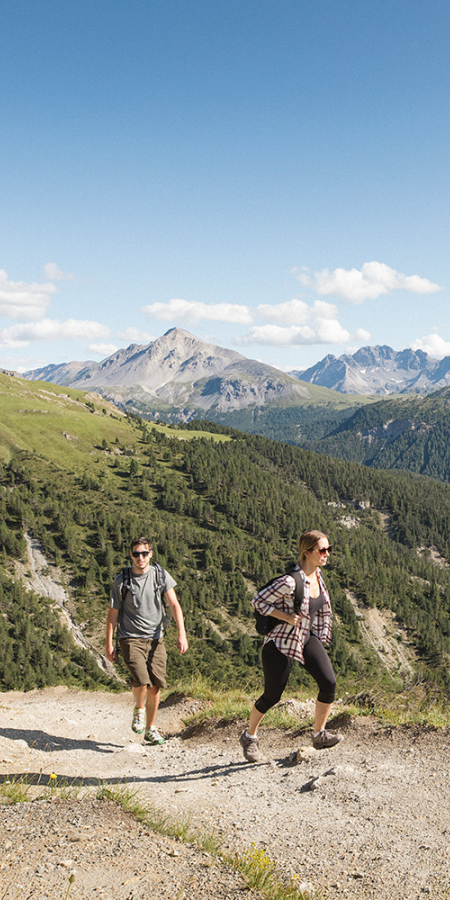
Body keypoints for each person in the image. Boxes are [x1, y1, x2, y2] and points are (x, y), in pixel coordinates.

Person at [240, 530, 341, 762]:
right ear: (306, 553)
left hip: (304, 637)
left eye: (329, 549)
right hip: (281, 642)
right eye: (322, 550)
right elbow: (258, 601)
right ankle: (249, 736)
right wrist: (284, 617)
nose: (327, 554)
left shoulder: (318, 576)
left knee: (329, 683)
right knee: (272, 696)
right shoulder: (289, 581)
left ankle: (319, 734)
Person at [105, 537, 188, 745]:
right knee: (141, 680)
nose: (140, 557)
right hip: (130, 637)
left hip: (156, 638)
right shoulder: (121, 580)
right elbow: (113, 613)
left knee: (156, 686)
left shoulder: (160, 576)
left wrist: (182, 634)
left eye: (144, 553)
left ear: (151, 554)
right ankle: (139, 710)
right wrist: (108, 644)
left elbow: (174, 605)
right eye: (136, 553)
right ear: (130, 555)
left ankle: (151, 728)